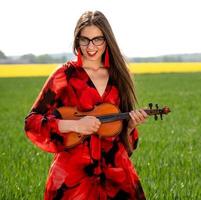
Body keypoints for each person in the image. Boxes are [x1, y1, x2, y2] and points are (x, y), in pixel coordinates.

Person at [24, 10, 148, 200]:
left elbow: (126, 146)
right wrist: (75, 125)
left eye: (97, 39)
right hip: (73, 178)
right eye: (85, 40)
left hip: (116, 177)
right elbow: (32, 122)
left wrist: (130, 126)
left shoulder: (118, 77)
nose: (91, 46)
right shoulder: (63, 76)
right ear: (77, 41)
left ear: (107, 41)